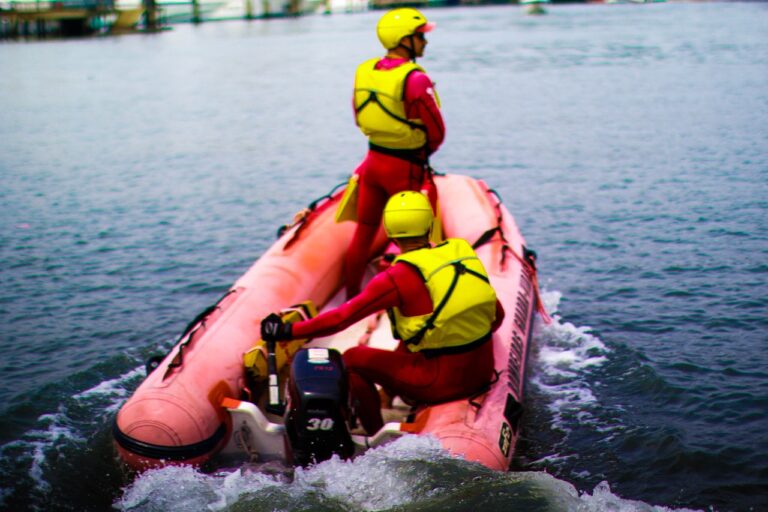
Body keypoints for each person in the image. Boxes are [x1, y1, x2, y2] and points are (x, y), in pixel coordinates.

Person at [261, 191, 504, 436]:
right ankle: (387, 397)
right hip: (482, 372)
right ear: (431, 225)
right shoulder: (460, 252)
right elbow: (498, 317)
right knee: (424, 331)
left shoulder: (394, 278)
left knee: (353, 359)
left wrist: (286, 330)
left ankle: (377, 434)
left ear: (389, 231)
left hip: (439, 383)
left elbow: (341, 318)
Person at [344, 7, 446, 298]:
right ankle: (399, 298)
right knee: (411, 237)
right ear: (404, 40)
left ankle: (352, 295)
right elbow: (437, 131)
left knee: (363, 232)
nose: (425, 42)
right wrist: (423, 153)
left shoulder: (365, 70)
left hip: (373, 163)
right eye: (419, 36)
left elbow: (358, 115)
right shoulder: (415, 79)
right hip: (406, 168)